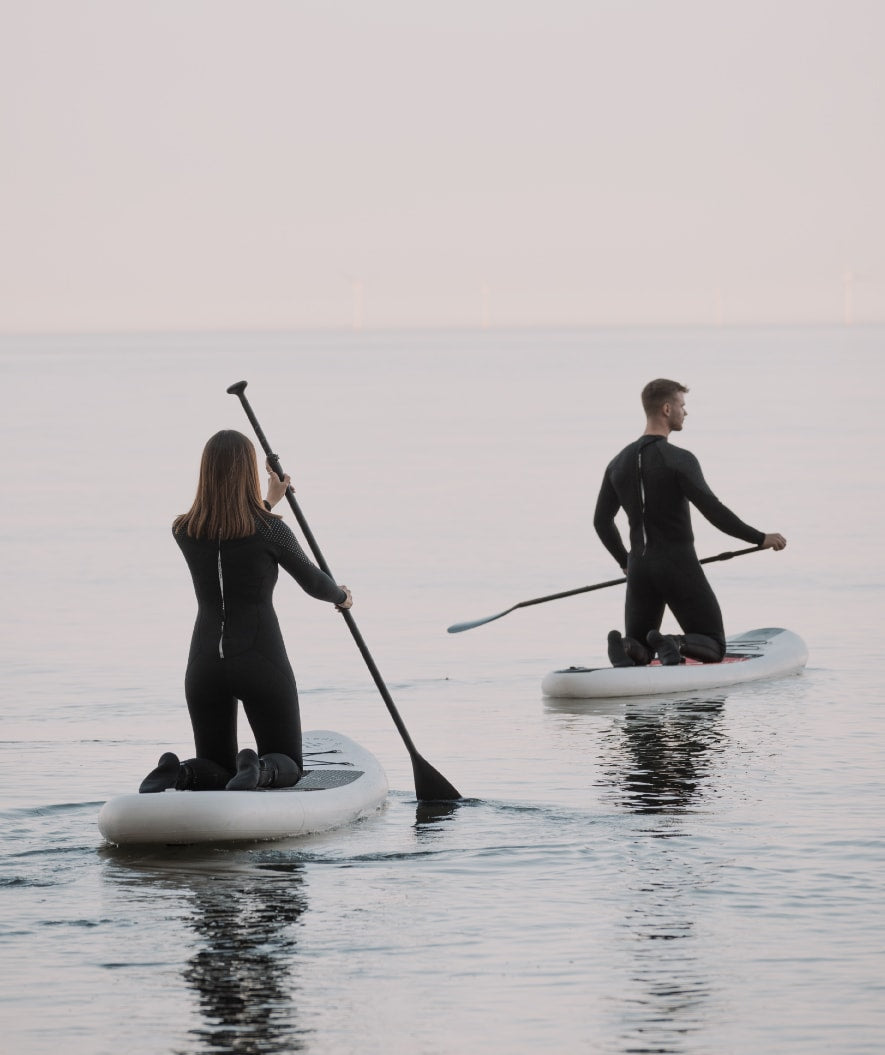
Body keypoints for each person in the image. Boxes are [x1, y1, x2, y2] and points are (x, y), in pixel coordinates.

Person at [140, 430, 352, 793]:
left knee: (215, 767)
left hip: (205, 665)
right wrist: (341, 595)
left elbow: (228, 535)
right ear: (247, 473)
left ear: (205, 472)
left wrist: (268, 501)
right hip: (260, 660)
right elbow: (313, 582)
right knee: (288, 764)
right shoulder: (270, 531)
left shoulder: (184, 529)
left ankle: (181, 773)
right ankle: (261, 768)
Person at [593, 379, 786, 668]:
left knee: (642, 651)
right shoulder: (678, 459)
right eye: (682, 406)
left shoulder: (618, 462)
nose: (686, 412)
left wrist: (625, 561)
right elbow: (714, 511)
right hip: (676, 563)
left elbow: (601, 521)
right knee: (715, 644)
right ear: (667, 408)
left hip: (640, 570)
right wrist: (759, 538)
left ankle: (625, 645)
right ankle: (675, 642)